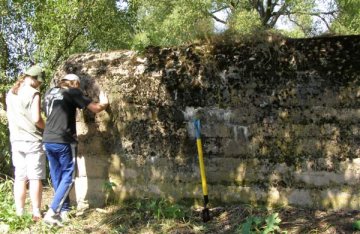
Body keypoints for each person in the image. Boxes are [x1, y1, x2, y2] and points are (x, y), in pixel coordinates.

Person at [42, 73, 109, 226]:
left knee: (57, 176)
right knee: (68, 176)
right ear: (73, 83)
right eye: (78, 84)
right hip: (64, 140)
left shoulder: (49, 92)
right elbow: (95, 108)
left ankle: (64, 211)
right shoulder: (72, 91)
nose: (78, 87)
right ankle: (52, 213)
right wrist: (104, 103)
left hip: (47, 139)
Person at [6, 64, 46, 222]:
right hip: (32, 140)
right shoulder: (34, 93)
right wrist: (47, 127)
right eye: (40, 82)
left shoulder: (11, 92)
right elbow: (37, 119)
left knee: (20, 177)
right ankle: (36, 212)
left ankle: (19, 213)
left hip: (16, 139)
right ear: (35, 79)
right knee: (35, 177)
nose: (40, 85)